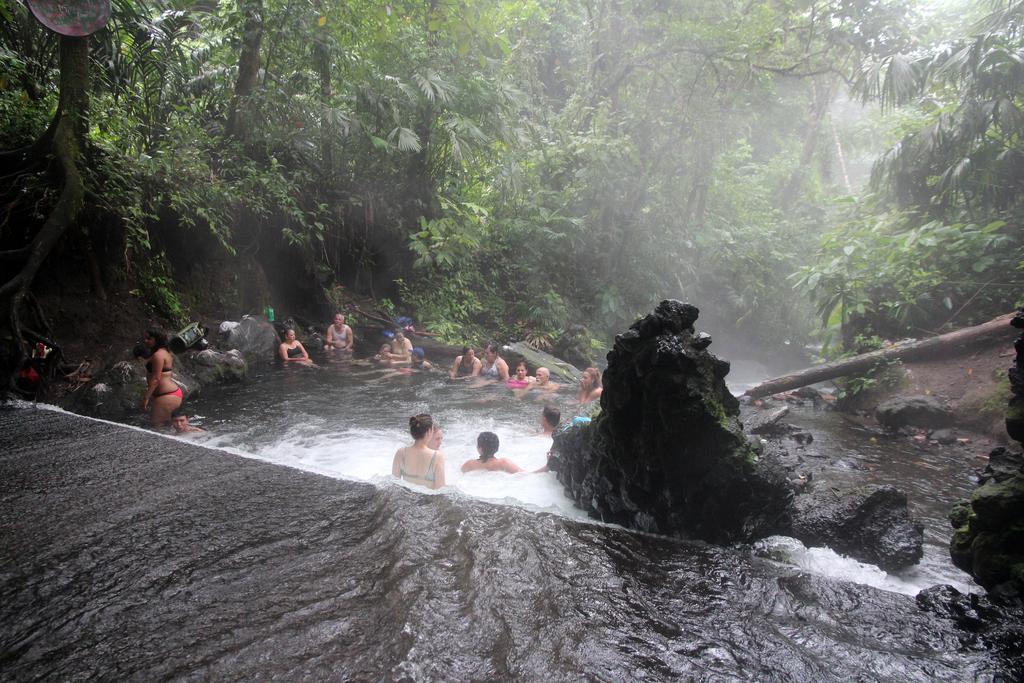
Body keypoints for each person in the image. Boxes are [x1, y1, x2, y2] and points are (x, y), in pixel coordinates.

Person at [138, 328, 182, 428]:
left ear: (157, 340)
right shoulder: (164, 352)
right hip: (169, 394)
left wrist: (146, 397)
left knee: (157, 427)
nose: (146, 341)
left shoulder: (159, 355)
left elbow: (156, 379)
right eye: (145, 338)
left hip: (167, 395)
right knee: (169, 428)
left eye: (149, 338)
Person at [392, 413, 446, 489]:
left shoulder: (401, 453)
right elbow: (441, 490)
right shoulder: (437, 456)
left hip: (406, 500)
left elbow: (394, 485)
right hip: (427, 500)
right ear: (429, 431)